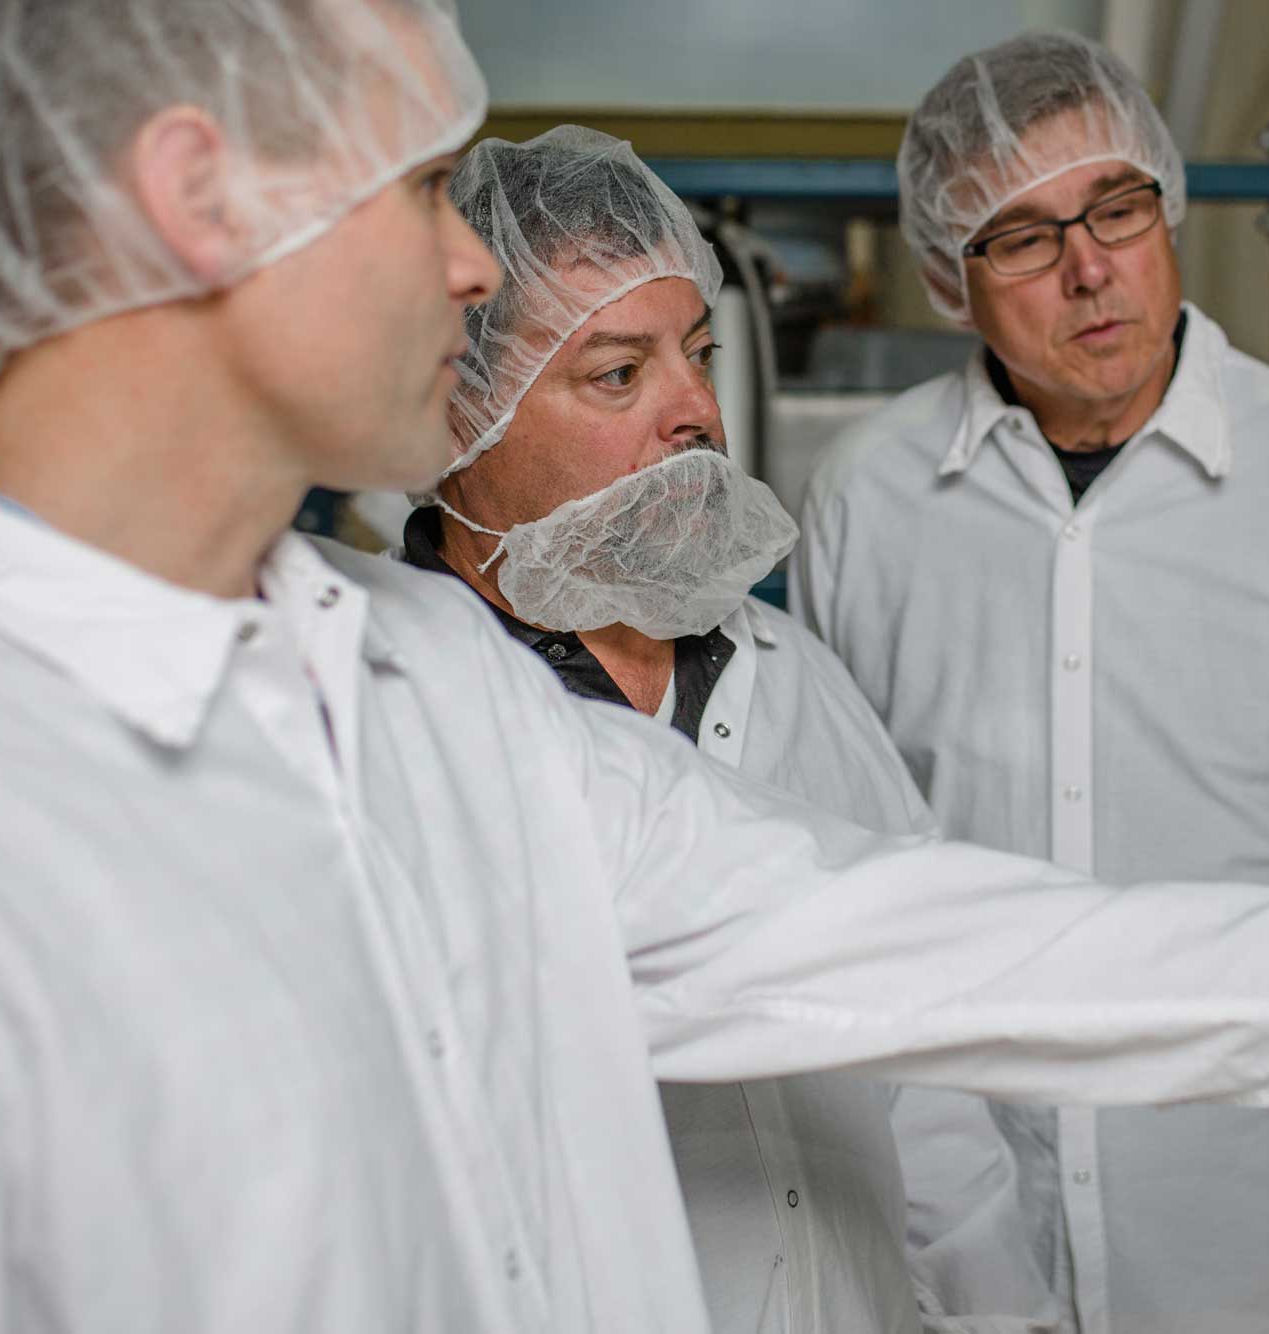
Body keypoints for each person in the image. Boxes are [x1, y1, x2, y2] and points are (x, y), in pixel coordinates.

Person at [0, 4, 1269, 1332]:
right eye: (431, 189)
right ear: (202, 196)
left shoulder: (416, 703)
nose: (467, 267)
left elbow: (933, 948)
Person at [793, 30, 1269, 1334]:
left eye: (1116, 206)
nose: (1090, 267)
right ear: (945, 273)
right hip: (984, 1242)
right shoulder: (867, 499)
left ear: (1168, 207)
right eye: (1025, 237)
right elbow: (847, 854)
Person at [402, 124, 973, 1334]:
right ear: (459, 411)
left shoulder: (795, 675)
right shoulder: (386, 714)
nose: (699, 412)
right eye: (619, 373)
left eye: (698, 352)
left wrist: (991, 1309)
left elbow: (929, 1054)